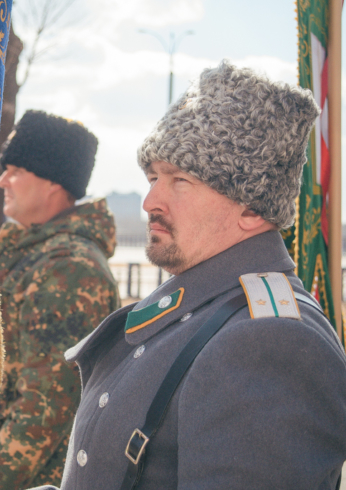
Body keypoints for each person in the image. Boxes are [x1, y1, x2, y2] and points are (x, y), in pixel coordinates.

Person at [29, 60, 346, 490]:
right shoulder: (201, 307)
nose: (150, 200)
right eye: (154, 175)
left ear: (252, 209)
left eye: (180, 179)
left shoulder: (268, 339)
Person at [0, 110, 121, 489]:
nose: (2, 181)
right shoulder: (30, 253)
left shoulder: (67, 269)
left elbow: (43, 411)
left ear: (51, 182)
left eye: (14, 170)